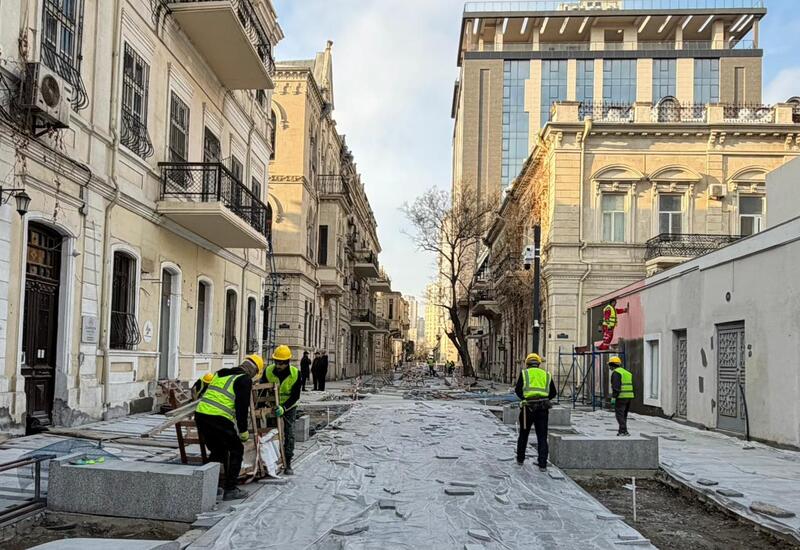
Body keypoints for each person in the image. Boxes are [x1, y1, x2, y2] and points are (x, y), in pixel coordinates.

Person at [194, 354, 264, 501]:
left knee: (218, 450)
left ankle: (209, 486)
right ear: (254, 371)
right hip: (218, 418)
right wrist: (243, 431)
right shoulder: (244, 380)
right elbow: (241, 408)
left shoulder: (221, 373)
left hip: (201, 415)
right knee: (237, 449)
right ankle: (230, 489)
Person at [514, 353, 557, 472]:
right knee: (542, 436)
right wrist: (543, 398)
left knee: (523, 434)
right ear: (538, 363)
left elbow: (518, 390)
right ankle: (542, 464)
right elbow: (553, 393)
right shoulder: (546, 374)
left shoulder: (524, 373)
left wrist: (525, 398)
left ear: (527, 364)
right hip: (542, 409)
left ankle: (520, 459)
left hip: (527, 408)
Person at [264, 345, 301, 475]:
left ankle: (288, 462)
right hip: (273, 406)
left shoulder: (296, 373)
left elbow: (296, 395)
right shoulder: (268, 371)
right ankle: (273, 461)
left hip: (289, 407)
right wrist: (266, 405)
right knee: (272, 434)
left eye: (281, 363)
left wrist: (284, 408)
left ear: (287, 362)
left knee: (289, 433)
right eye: (276, 362)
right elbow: (262, 390)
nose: (278, 366)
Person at [609, 356, 634, 436]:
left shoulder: (616, 373)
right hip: (629, 396)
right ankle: (622, 430)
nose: (609, 367)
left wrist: (614, 398)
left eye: (609, 365)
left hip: (621, 397)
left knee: (619, 414)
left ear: (612, 365)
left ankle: (623, 431)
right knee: (624, 415)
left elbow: (616, 387)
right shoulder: (626, 372)